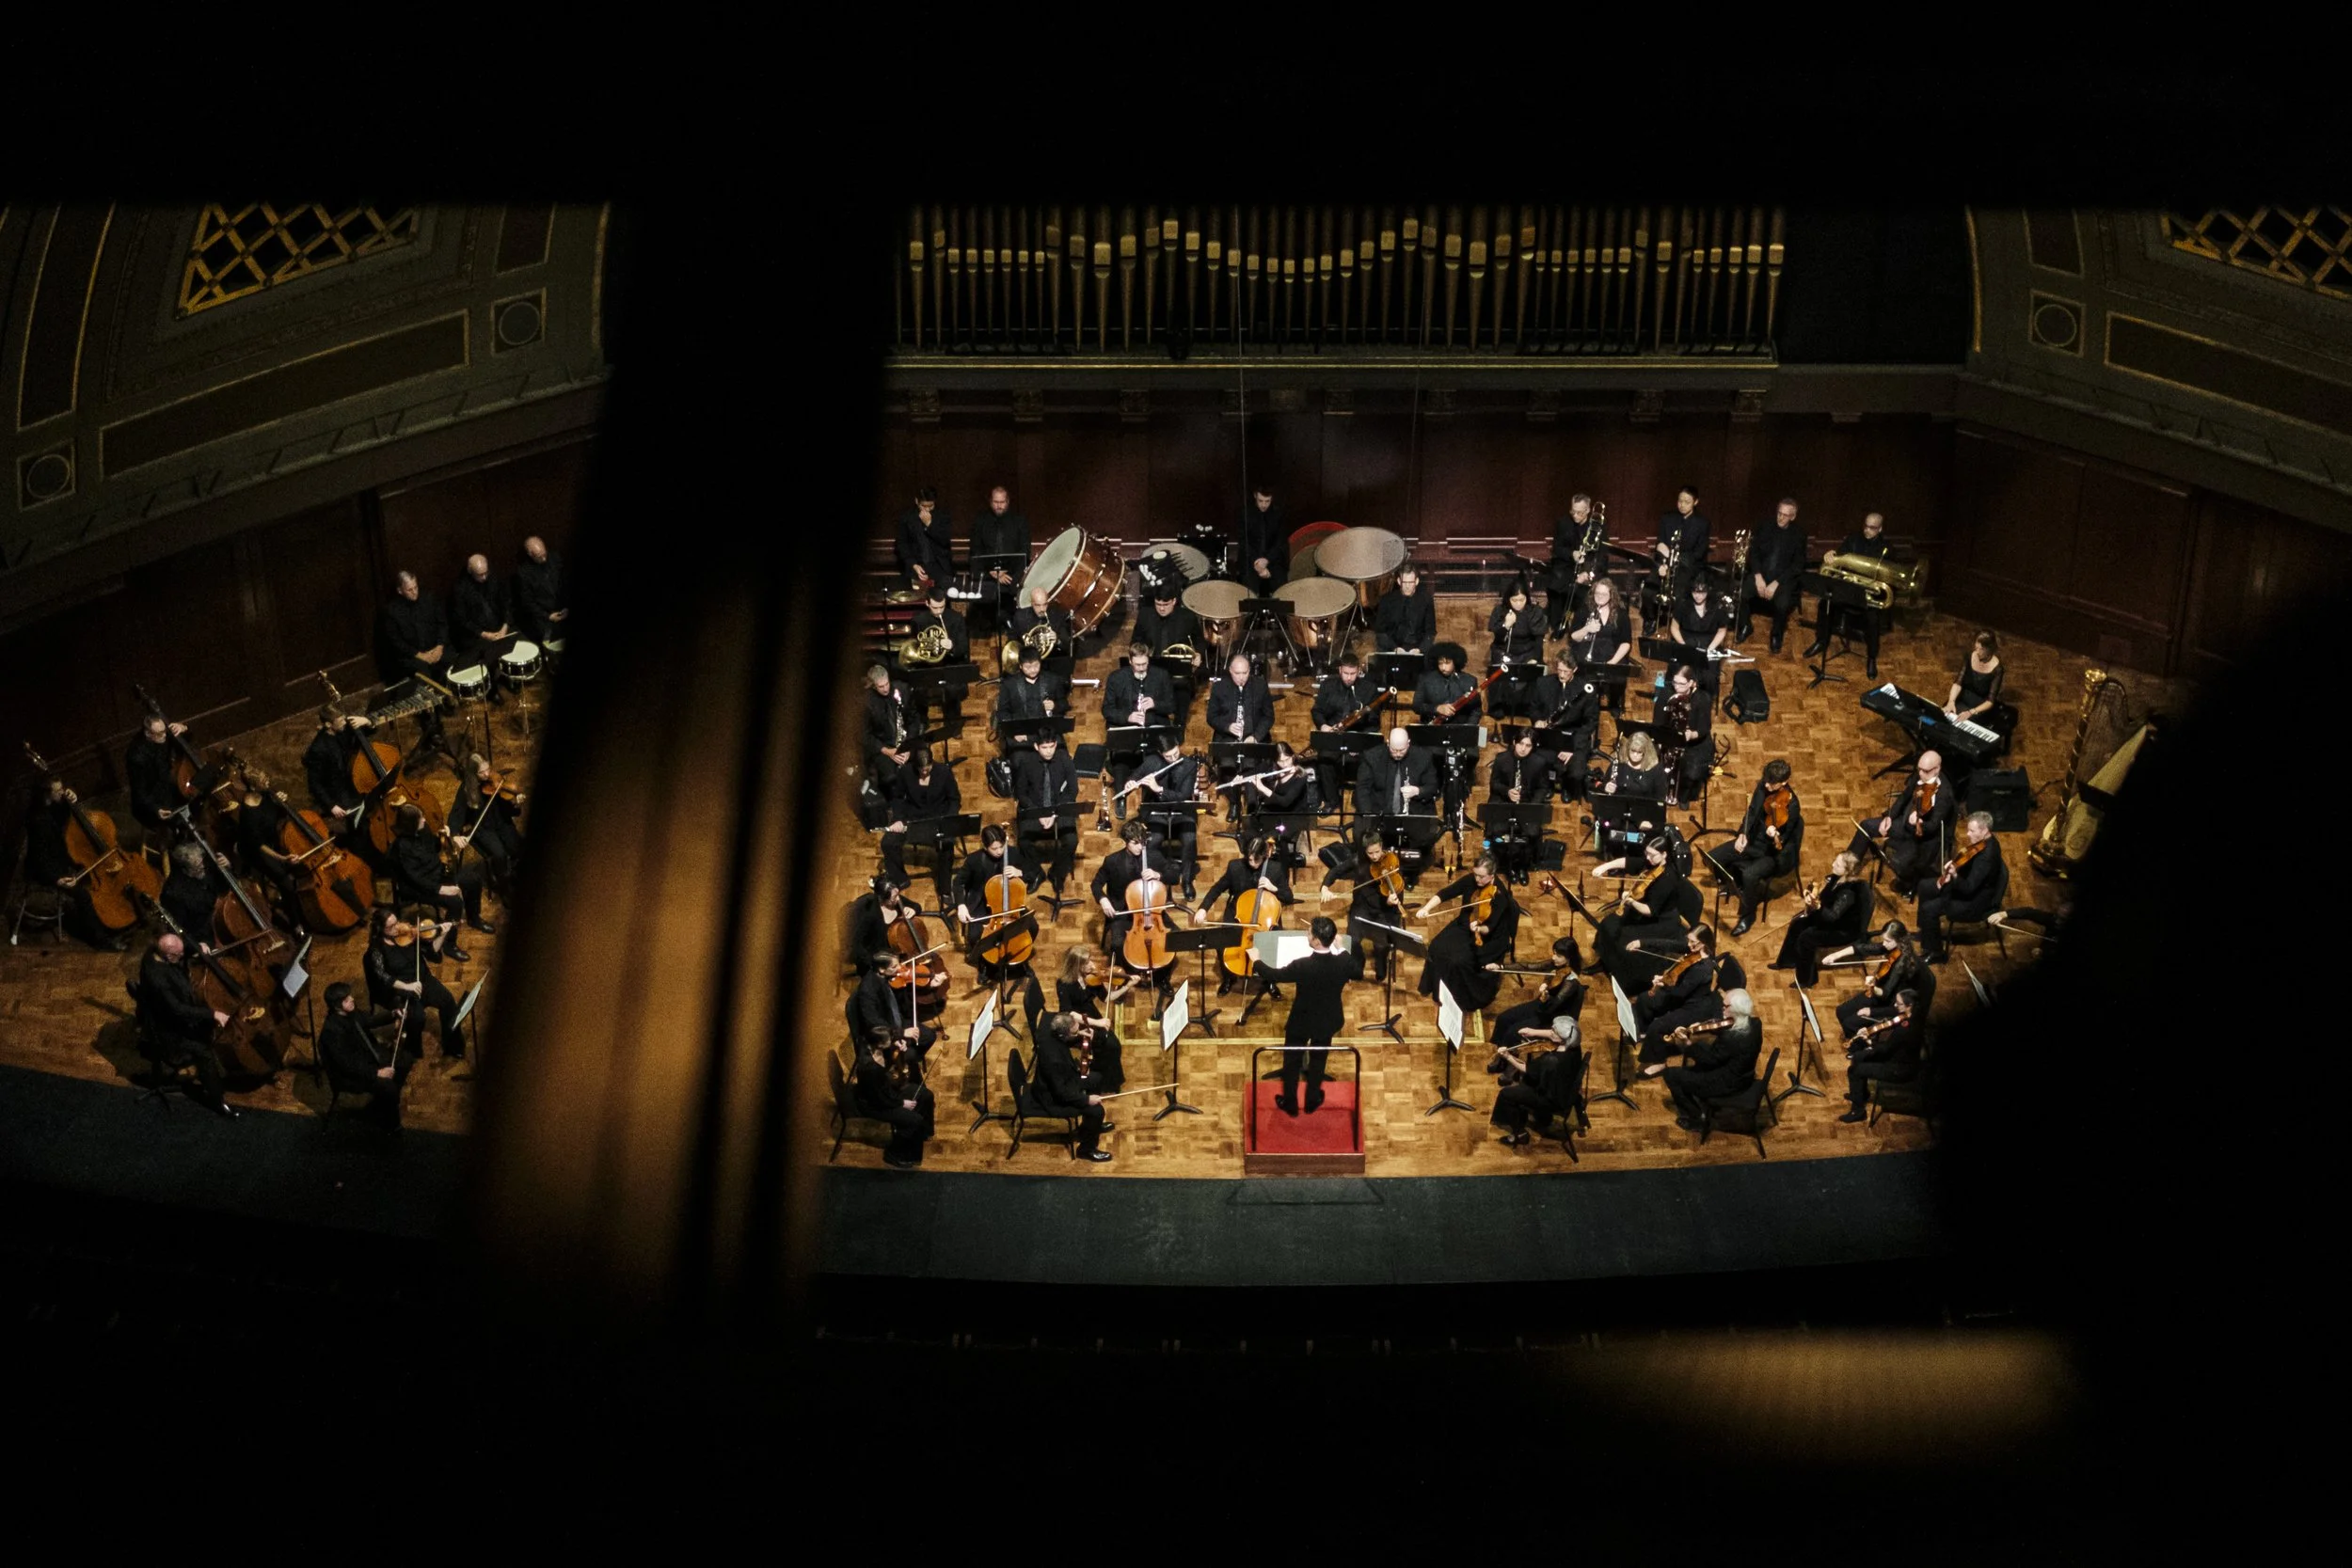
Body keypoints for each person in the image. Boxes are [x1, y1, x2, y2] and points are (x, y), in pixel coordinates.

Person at [135, 934, 237, 1117]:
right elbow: (178, 1009)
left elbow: (179, 950)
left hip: (165, 1016)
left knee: (206, 1024)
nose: (183, 956)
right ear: (169, 956)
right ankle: (218, 1100)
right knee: (204, 1051)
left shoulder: (153, 951)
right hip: (167, 1031)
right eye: (180, 955)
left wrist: (198, 947)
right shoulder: (158, 979)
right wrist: (213, 1014)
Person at [1704, 757, 1801, 937]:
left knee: (1750, 875)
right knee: (1712, 857)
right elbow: (1752, 812)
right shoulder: (1763, 786)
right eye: (1766, 781)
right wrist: (1742, 834)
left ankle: (1748, 916)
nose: (1767, 786)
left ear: (1784, 782)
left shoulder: (1793, 806)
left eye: (1772, 784)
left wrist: (1775, 835)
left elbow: (1785, 839)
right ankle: (1734, 883)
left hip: (1770, 853)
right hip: (1752, 841)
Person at [21, 778, 121, 947]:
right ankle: (100, 940)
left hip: (62, 858)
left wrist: (71, 801)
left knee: (92, 876)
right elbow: (40, 859)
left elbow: (63, 816)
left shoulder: (51, 806)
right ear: (47, 794)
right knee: (83, 895)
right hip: (46, 870)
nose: (62, 792)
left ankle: (110, 921)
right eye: (58, 791)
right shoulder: (38, 821)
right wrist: (57, 878)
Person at [1266, 917, 1352, 1115]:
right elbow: (1353, 964)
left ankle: (1290, 1103)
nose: (1307, 934)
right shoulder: (1344, 961)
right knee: (1319, 1059)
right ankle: (1312, 1100)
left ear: (1315, 941)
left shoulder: (1302, 965)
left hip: (1302, 1020)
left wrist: (1256, 961)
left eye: (1308, 933)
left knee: (1292, 1060)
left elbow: (1275, 975)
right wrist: (1341, 947)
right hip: (1328, 1019)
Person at [1415, 855, 1518, 1013]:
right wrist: (1426, 908)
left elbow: (1489, 927)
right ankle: (1437, 989)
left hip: (1487, 937)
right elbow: (1446, 893)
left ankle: (1459, 998)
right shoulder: (1472, 880)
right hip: (1466, 923)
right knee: (1435, 946)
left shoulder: (1499, 896)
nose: (1477, 879)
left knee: (1457, 961)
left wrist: (1478, 928)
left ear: (1492, 875)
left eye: (1481, 877)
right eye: (1475, 874)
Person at [1849, 751, 1957, 896]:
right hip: (1904, 823)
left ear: (1937, 769)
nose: (1920, 774)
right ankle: (1848, 864)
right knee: (1866, 825)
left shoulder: (1944, 795)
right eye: (1919, 769)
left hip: (1923, 838)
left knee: (1900, 863)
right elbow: (1904, 798)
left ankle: (1907, 884)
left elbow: (1933, 826)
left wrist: (1919, 823)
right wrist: (1889, 817)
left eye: (1925, 771)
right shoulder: (1919, 776)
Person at [1804, 510, 1895, 677]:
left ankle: (1872, 658)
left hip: (1868, 595)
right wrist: (1830, 555)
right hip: (1848, 589)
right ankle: (1821, 641)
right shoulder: (1853, 540)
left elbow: (1889, 578)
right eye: (1865, 526)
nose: (1867, 530)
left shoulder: (1886, 549)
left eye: (1872, 528)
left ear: (1880, 529)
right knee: (1825, 604)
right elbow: (1838, 558)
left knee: (1872, 619)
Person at [364, 908, 461, 1059]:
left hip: (423, 979)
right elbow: (383, 977)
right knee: (417, 1018)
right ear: (381, 929)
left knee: (448, 1002)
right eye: (391, 927)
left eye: (397, 922)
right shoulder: (377, 949)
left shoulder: (411, 934)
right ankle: (412, 1051)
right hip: (402, 988)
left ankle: (453, 1046)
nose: (398, 928)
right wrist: (407, 986)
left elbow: (432, 952)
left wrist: (442, 934)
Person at [389, 801, 488, 951]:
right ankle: (449, 945)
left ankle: (474, 918)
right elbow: (415, 878)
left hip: (436, 874)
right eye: (420, 818)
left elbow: (435, 846)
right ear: (411, 824)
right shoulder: (402, 847)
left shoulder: (423, 829)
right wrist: (440, 889)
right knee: (454, 902)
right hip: (419, 887)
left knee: (473, 879)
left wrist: (446, 837)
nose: (424, 820)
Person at [952, 825, 1041, 985]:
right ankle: (984, 965)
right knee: (974, 936)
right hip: (984, 904)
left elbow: (1035, 871)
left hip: (1012, 903)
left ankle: (1020, 959)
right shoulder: (974, 860)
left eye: (1002, 846)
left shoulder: (1013, 853)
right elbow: (958, 883)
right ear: (985, 847)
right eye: (994, 848)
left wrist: (1020, 872)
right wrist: (961, 905)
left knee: (1033, 926)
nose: (1000, 851)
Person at [1662, 988, 1761, 1132]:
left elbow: (1708, 1060)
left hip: (1726, 1083)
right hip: (1745, 1075)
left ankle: (1696, 1118)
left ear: (1737, 1010)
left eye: (1726, 1006)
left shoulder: (1730, 1039)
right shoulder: (1755, 1023)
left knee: (1670, 1075)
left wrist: (1687, 1044)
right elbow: (1727, 1033)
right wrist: (1703, 1027)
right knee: (1700, 1049)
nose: (1722, 1008)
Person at [1486, 935, 1586, 1073]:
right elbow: (1530, 966)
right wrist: (1501, 966)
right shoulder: (1556, 964)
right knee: (1503, 1019)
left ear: (1568, 958)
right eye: (1554, 953)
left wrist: (1546, 995)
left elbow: (1554, 1005)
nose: (1553, 957)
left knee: (1513, 1032)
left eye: (1558, 955)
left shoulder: (1571, 982)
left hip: (1552, 1016)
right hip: (1541, 1005)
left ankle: (1510, 1068)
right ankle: (1500, 1056)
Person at [1320, 827, 1410, 981]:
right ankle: (1357, 966)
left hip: (1383, 910)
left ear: (1381, 846)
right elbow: (1336, 870)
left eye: (1377, 851)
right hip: (1362, 907)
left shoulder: (1391, 862)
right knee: (1352, 941)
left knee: (1381, 946)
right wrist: (1325, 887)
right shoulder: (1358, 860)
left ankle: (1381, 965)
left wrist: (1390, 901)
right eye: (1370, 853)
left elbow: (1398, 889)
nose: (1375, 857)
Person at [318, 980, 412, 1129]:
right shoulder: (332, 1032)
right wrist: (377, 1073)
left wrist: (393, 1014)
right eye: (347, 1000)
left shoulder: (350, 1012)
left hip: (366, 1057)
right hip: (351, 1075)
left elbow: (369, 1020)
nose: (352, 1000)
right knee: (389, 1087)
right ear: (336, 1006)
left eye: (350, 997)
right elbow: (347, 1065)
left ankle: (386, 1099)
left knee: (406, 1059)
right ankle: (391, 1124)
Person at [1772, 850, 1873, 986]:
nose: (1832, 865)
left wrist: (1818, 906)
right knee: (1798, 921)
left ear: (1847, 871)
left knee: (1807, 937)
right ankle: (1788, 960)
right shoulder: (1836, 878)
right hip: (1829, 918)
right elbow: (1824, 898)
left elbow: (1832, 917)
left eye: (1837, 865)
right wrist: (1811, 897)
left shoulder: (1847, 894)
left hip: (1843, 930)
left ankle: (1806, 979)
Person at [1916, 811, 2005, 963]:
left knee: (1929, 908)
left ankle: (1936, 952)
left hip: (1974, 903)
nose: (1967, 834)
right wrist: (1955, 867)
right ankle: (1926, 930)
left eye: (1972, 831)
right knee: (1924, 886)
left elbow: (1969, 888)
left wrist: (1955, 876)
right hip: (1968, 888)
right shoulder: (1984, 842)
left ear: (1985, 831)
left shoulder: (1987, 858)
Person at [1590, 834, 1682, 981]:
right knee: (1608, 924)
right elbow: (1629, 862)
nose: (1647, 858)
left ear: (1664, 854)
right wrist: (1605, 866)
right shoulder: (1652, 863)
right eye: (1646, 853)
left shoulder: (1668, 879)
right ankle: (1604, 962)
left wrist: (1631, 901)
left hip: (1661, 921)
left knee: (1622, 938)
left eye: (1652, 855)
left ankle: (1621, 974)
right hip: (1644, 909)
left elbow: (1650, 911)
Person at [881, 746, 960, 904]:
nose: (925, 772)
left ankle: (944, 889)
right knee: (888, 843)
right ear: (915, 766)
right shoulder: (905, 772)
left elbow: (954, 799)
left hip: (938, 818)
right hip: (912, 818)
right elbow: (897, 798)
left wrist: (948, 820)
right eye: (921, 770)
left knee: (947, 846)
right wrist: (899, 819)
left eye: (927, 769)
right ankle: (901, 879)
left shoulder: (943, 772)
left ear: (932, 763)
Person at [1489, 1017, 1586, 1147]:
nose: (1550, 1031)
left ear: (1562, 1039)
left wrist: (1508, 1056)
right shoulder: (1574, 1045)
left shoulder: (1551, 1061)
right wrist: (1533, 1032)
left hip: (1551, 1099)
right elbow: (1555, 1034)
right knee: (1524, 1084)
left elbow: (1526, 1068)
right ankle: (1537, 1117)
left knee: (1506, 1095)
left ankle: (1519, 1133)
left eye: (1554, 1032)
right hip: (1566, 1090)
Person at [230, 766, 305, 932]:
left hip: (272, 840)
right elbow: (259, 845)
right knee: (285, 881)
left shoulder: (266, 795)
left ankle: (303, 906)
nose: (268, 782)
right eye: (263, 781)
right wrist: (282, 858)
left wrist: (281, 802)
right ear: (253, 787)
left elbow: (276, 815)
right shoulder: (248, 813)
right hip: (256, 851)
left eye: (266, 779)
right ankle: (296, 923)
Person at [1032, 1013, 1116, 1162]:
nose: (1078, 1032)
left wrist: (1080, 1035)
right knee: (1097, 1110)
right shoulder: (1054, 1060)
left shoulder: (1051, 1032)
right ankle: (1086, 1149)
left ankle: (1089, 1127)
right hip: (1053, 1097)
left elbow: (1064, 1042)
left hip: (1065, 1079)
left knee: (1096, 1079)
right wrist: (1086, 1099)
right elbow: (1061, 1093)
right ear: (1063, 1033)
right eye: (1075, 1032)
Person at [1127, 733, 1201, 896]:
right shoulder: (1152, 761)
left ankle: (1187, 880)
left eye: (1176, 753)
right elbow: (1135, 775)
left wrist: (1158, 789)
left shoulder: (1189, 765)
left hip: (1182, 810)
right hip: (1157, 810)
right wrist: (1131, 782)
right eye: (1169, 756)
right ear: (1161, 754)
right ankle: (1157, 877)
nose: (1174, 758)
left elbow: (1183, 795)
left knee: (1190, 839)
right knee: (1152, 842)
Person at [1632, 926, 1719, 1064]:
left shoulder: (1703, 968)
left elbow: (1680, 992)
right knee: (1644, 999)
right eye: (1688, 940)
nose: (1689, 945)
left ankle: (1657, 1062)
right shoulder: (1694, 950)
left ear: (1703, 942)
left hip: (1693, 1007)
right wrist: (1641, 943)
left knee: (1659, 1026)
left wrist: (1663, 982)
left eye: (1693, 942)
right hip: (1680, 993)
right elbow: (1670, 944)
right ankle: (1642, 1031)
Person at [854, 1026, 935, 1169]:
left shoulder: (873, 1042)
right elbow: (879, 1099)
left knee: (926, 1095)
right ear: (879, 1044)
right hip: (875, 1104)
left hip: (886, 1091)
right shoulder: (868, 1068)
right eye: (889, 1041)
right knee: (913, 1120)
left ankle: (923, 1131)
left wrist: (897, 1046)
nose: (892, 1042)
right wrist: (901, 1103)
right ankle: (894, 1153)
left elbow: (890, 1035)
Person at [1830, 920, 1926, 1039]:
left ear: (1899, 939)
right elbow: (1864, 948)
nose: (1884, 944)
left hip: (1891, 1003)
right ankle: (1856, 1038)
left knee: (1850, 1023)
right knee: (1841, 1011)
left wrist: (1873, 987)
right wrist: (1835, 955)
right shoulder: (1893, 948)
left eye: (1888, 941)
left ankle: (1860, 1045)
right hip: (1877, 993)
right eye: (1884, 939)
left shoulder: (1901, 964)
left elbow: (1885, 994)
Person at [1011, 732, 1079, 898]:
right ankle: (1036, 873)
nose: (1049, 751)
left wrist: (1054, 813)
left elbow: (1072, 790)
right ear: (1036, 747)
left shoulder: (1065, 759)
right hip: (1035, 809)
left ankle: (1057, 873)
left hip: (1059, 808)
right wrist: (1039, 814)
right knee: (1024, 841)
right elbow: (1021, 793)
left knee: (1072, 840)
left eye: (1052, 746)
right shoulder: (1026, 762)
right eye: (1044, 747)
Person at [1839, 987, 1921, 1123]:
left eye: (1899, 1003)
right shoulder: (1910, 1015)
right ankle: (1860, 1094)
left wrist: (1869, 1041)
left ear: (1909, 1005)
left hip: (1897, 1068)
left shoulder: (1906, 1029)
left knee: (1854, 1070)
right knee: (1858, 1056)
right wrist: (1869, 1031)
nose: (1895, 1005)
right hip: (1895, 1055)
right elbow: (1889, 1033)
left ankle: (1858, 1111)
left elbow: (1886, 1049)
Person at [1092, 820, 1177, 949]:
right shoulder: (1113, 861)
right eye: (1135, 843)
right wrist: (1103, 900)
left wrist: (1158, 875)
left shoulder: (1154, 856)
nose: (1140, 847)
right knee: (1118, 944)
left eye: (1142, 842)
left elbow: (1175, 877)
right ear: (1126, 842)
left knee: (1177, 938)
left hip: (1153, 913)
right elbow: (1096, 884)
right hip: (1124, 915)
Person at [1486, 730, 1556, 882]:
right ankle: (1508, 866)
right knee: (1498, 830)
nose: (1523, 749)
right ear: (1514, 743)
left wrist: (1532, 806)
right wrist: (1507, 791)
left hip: (1527, 803)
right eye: (1521, 744)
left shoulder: (1539, 763)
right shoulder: (1501, 759)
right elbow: (1494, 784)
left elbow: (1543, 788)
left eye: (1528, 745)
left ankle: (1523, 866)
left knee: (1531, 832)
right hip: (1504, 802)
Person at [448, 553, 520, 702]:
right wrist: (484, 634)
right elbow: (462, 620)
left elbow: (506, 604)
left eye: (486, 573)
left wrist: (505, 627)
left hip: (498, 627)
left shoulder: (494, 579)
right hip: (476, 633)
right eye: (480, 575)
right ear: (470, 571)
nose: (484, 577)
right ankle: (491, 688)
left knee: (512, 640)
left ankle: (507, 675)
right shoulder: (460, 589)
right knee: (487, 651)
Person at [452, 755, 525, 900]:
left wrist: (515, 803)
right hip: (483, 828)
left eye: (488, 769)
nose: (487, 774)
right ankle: (505, 888)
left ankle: (516, 875)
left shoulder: (495, 781)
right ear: (473, 773)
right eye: (481, 772)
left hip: (501, 821)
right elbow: (457, 813)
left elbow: (507, 807)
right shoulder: (466, 789)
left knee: (517, 846)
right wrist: (454, 834)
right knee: (499, 854)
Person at [1529, 653, 1601, 799]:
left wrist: (1572, 749)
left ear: (1574, 670)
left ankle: (1567, 786)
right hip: (1550, 734)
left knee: (1577, 772)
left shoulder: (1585, 689)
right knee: (1538, 761)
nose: (1561, 675)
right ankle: (1546, 785)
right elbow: (1534, 708)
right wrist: (1537, 720)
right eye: (1559, 670)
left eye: (1566, 672)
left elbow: (1590, 721)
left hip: (1575, 736)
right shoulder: (1543, 683)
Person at [1740, 497, 1807, 652]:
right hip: (1762, 575)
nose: (1780, 517)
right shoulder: (1764, 526)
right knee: (1742, 593)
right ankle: (1745, 625)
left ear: (1793, 517)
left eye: (1785, 515)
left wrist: (1776, 583)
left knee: (1782, 604)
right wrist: (1757, 576)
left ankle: (1777, 634)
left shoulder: (1799, 535)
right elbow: (1754, 553)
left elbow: (1797, 565)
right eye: (1779, 513)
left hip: (1782, 579)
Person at [850, 950, 940, 1061]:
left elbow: (906, 992)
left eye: (898, 964)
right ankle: (901, 1064)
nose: (899, 968)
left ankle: (905, 1059)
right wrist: (899, 1035)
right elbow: (874, 1024)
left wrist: (929, 985)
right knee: (910, 1055)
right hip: (884, 1031)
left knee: (929, 1036)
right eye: (894, 966)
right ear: (882, 969)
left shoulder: (885, 977)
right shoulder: (868, 991)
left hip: (897, 1021)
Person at [903, 584, 970, 726]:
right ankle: (922, 722)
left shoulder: (956, 619)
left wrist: (951, 646)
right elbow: (915, 644)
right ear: (927, 603)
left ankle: (953, 722)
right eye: (935, 607)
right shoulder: (918, 620)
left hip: (949, 663)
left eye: (942, 607)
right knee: (918, 689)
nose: (939, 611)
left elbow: (963, 647)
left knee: (952, 690)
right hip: (926, 664)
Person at [967, 483, 1031, 626]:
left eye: (1002, 502)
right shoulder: (980, 521)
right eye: (996, 502)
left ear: (1007, 502)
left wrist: (1005, 574)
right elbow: (975, 551)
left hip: (1012, 576)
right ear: (990, 502)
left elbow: (1024, 552)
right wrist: (993, 573)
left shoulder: (1019, 521)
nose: (999, 506)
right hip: (987, 575)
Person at [1652, 664, 1715, 806]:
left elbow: (1704, 727)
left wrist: (1691, 735)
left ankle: (1684, 795)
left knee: (1692, 773)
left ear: (1692, 683)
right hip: (1670, 737)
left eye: (1682, 683)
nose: (1677, 687)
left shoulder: (1702, 698)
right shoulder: (1665, 694)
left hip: (1694, 742)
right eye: (1675, 682)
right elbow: (1657, 721)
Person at [1545, 492, 1607, 635]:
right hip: (1568, 565)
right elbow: (1557, 548)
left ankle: (1580, 628)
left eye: (1580, 513)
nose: (1575, 516)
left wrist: (1587, 571)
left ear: (1588, 510)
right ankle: (1558, 626)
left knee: (1582, 590)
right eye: (1573, 511)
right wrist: (1571, 554)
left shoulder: (1598, 527)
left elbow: (1601, 555)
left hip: (1588, 568)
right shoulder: (1563, 523)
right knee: (1554, 586)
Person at [1648, 486, 1710, 627]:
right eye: (1680, 501)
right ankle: (1652, 620)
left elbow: (1699, 553)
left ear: (1695, 502)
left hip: (1687, 566)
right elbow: (1660, 544)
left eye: (1687, 502)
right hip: (1664, 562)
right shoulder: (1667, 518)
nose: (1682, 505)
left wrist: (1673, 557)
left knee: (1679, 591)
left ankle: (1676, 623)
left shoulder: (1702, 523)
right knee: (1649, 589)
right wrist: (1664, 563)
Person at [1486, 580, 1546, 716]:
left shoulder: (1534, 612)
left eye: (1522, 599)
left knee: (1535, 670)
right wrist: (1506, 625)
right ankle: (1498, 707)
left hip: (1528, 651)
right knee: (1497, 667)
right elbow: (1499, 640)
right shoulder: (1500, 611)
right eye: (1514, 600)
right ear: (1508, 599)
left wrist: (1535, 659)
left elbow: (1538, 640)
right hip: (1504, 651)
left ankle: (1529, 708)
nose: (1518, 604)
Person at [123, 713, 189, 837]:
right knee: (177, 818)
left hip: (165, 783)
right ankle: (180, 838)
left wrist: (183, 728)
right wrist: (155, 809)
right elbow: (139, 791)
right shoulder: (136, 757)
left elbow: (186, 743)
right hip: (149, 799)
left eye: (165, 731)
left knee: (191, 798)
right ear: (148, 734)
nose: (165, 735)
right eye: (160, 733)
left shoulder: (162, 735)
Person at [1355, 726, 1438, 823]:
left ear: (1408, 744)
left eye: (1402, 750)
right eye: (1394, 750)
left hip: (1414, 811)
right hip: (1380, 810)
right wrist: (1368, 815)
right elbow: (1362, 788)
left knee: (1425, 834)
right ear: (1388, 743)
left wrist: (1418, 791)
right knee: (1363, 835)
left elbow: (1432, 786)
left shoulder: (1424, 757)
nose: (1398, 754)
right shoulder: (1372, 756)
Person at [302, 710, 371, 828]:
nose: (345, 722)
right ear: (329, 725)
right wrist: (331, 806)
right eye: (340, 721)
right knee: (359, 822)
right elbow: (314, 783)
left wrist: (367, 721)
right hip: (338, 791)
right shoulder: (318, 749)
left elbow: (368, 732)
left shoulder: (342, 729)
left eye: (344, 718)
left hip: (354, 778)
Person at [1103, 641, 1176, 745]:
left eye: (1144, 664)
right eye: (1137, 665)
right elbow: (1107, 710)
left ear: (1148, 660)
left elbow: (1171, 706)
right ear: (1130, 661)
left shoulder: (1161, 675)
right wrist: (1127, 717)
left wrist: (1155, 704)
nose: (1141, 668)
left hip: (1155, 731)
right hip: (1125, 730)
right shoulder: (1116, 678)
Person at [1670, 573, 1730, 695]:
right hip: (1687, 642)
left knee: (1709, 676)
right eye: (1695, 592)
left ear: (1708, 591)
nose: (1698, 596)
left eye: (1702, 592)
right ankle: (1679, 696)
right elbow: (1674, 627)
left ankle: (1705, 699)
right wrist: (1683, 644)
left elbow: (1722, 631)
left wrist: (1710, 649)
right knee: (1679, 672)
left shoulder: (1718, 607)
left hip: (1709, 644)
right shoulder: (1683, 604)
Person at [862, 662, 915, 798]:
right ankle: (893, 803)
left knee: (922, 759)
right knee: (890, 777)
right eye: (881, 686)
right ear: (874, 686)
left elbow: (914, 719)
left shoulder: (902, 689)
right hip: (884, 746)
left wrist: (909, 745)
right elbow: (865, 735)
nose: (886, 689)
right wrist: (888, 751)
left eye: (887, 684)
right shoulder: (866, 703)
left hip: (906, 740)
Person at [993, 647, 1066, 744]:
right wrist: (1014, 731)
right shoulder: (1009, 685)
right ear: (1020, 666)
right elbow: (1002, 712)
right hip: (1021, 733)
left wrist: (1054, 705)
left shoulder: (1053, 680)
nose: (1032, 670)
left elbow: (1065, 704)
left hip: (1047, 733)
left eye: (1036, 666)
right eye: (1028, 667)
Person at [158, 839, 228, 940]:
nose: (203, 866)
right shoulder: (174, 894)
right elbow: (178, 930)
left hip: (219, 921)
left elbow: (224, 885)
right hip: (202, 935)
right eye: (198, 866)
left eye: (202, 861)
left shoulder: (204, 867)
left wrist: (228, 867)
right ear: (185, 870)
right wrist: (200, 944)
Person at [1057, 944, 1138, 1027]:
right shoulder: (1063, 984)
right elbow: (1069, 1013)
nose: (1092, 965)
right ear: (1076, 966)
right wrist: (1097, 1022)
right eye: (1087, 963)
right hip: (1074, 1022)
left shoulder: (1093, 977)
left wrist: (1127, 986)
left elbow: (1107, 997)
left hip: (1090, 1012)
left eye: (1090, 960)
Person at [1946, 632, 2008, 736]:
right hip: (1964, 697)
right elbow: (1958, 682)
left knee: (1960, 726)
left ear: (1989, 649)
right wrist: (1951, 701)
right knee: (1946, 714)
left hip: (1980, 706)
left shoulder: (1997, 669)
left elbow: (1990, 701)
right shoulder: (1970, 656)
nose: (1977, 652)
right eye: (1976, 648)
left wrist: (1971, 712)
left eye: (1981, 649)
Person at [894, 486, 954, 591]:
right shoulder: (906, 518)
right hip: (916, 567)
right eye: (923, 506)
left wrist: (930, 525)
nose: (927, 509)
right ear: (917, 501)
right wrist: (913, 564)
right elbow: (902, 544)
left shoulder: (943, 516)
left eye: (930, 506)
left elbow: (945, 541)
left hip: (940, 567)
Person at [1206, 652, 1274, 744]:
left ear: (1249, 670)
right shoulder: (1219, 687)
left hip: (1254, 738)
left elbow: (1268, 717)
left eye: (1245, 673)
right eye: (1237, 673)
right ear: (1230, 670)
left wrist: (1256, 737)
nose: (1241, 677)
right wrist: (1227, 727)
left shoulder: (1260, 686)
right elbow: (1211, 717)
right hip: (1227, 738)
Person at [513, 534, 568, 645]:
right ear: (530, 554)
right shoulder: (524, 573)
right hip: (543, 617)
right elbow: (527, 602)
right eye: (539, 556)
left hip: (564, 609)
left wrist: (567, 606)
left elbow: (566, 584)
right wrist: (548, 616)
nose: (544, 558)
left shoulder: (556, 559)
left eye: (544, 554)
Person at [1237, 484, 1289, 597]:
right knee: (1248, 592)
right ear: (1255, 496)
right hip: (1251, 560)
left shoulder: (1278, 513)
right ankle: (1251, 614)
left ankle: (1279, 615)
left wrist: (1267, 560)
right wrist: (1257, 562)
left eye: (1267, 501)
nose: (1264, 505)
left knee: (1282, 590)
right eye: (1261, 501)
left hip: (1273, 560)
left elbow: (1280, 542)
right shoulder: (1245, 513)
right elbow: (1243, 542)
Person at [1412, 641, 1482, 725]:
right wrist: (1437, 708)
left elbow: (1476, 710)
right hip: (1433, 729)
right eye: (1440, 663)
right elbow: (1416, 705)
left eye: (1447, 663)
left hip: (1460, 730)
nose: (1443, 668)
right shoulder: (1426, 679)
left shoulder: (1470, 680)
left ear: (1455, 661)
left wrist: (1469, 727)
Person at [1373, 562, 1436, 654]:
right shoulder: (1386, 600)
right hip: (1393, 647)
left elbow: (1430, 632)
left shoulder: (1426, 600)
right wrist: (1395, 648)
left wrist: (1420, 650)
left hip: (1418, 648)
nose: (1407, 586)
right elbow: (1380, 632)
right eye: (1404, 582)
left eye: (1410, 582)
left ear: (1416, 581)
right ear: (1399, 581)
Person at [1007, 584, 1076, 663]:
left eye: (1045, 604)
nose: (1042, 609)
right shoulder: (1020, 616)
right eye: (1038, 605)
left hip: (1052, 660)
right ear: (1032, 603)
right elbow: (1012, 641)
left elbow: (1069, 645)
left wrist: (1057, 640)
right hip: (1028, 661)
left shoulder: (1057, 616)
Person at [1595, 729, 1666, 801]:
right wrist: (1606, 787)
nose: (1635, 755)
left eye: (1639, 752)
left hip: (1644, 809)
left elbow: (1660, 798)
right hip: (1618, 807)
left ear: (1646, 752)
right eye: (1633, 751)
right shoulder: (1619, 764)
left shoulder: (1655, 769)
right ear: (1628, 748)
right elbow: (1604, 787)